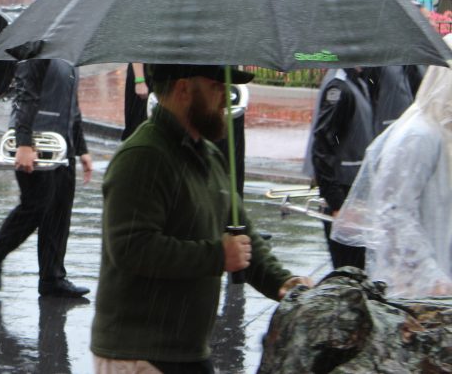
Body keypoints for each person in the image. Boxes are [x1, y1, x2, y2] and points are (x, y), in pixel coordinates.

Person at [92, 64, 311, 372]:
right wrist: (217, 255)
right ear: (183, 89)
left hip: (187, 351)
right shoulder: (143, 156)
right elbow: (131, 248)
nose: (226, 96)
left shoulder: (208, 154)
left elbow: (242, 235)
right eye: (216, 87)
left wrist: (283, 283)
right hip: (139, 355)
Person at [333, 44, 452, 297]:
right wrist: (431, 276)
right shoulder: (419, 136)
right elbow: (393, 212)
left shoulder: (440, 133)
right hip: (414, 293)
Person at [0, 57, 93, 298]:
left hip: (64, 146)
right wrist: (23, 143)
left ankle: (52, 278)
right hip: (33, 142)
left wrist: (81, 148)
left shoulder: (70, 55)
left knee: (59, 211)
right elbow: (24, 95)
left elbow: (72, 106)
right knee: (37, 205)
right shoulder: (38, 49)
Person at [309, 67, 373, 270]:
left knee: (358, 271)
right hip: (345, 195)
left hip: (356, 194)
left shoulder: (359, 82)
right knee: (348, 273)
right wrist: (337, 204)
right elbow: (322, 147)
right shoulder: (339, 89)